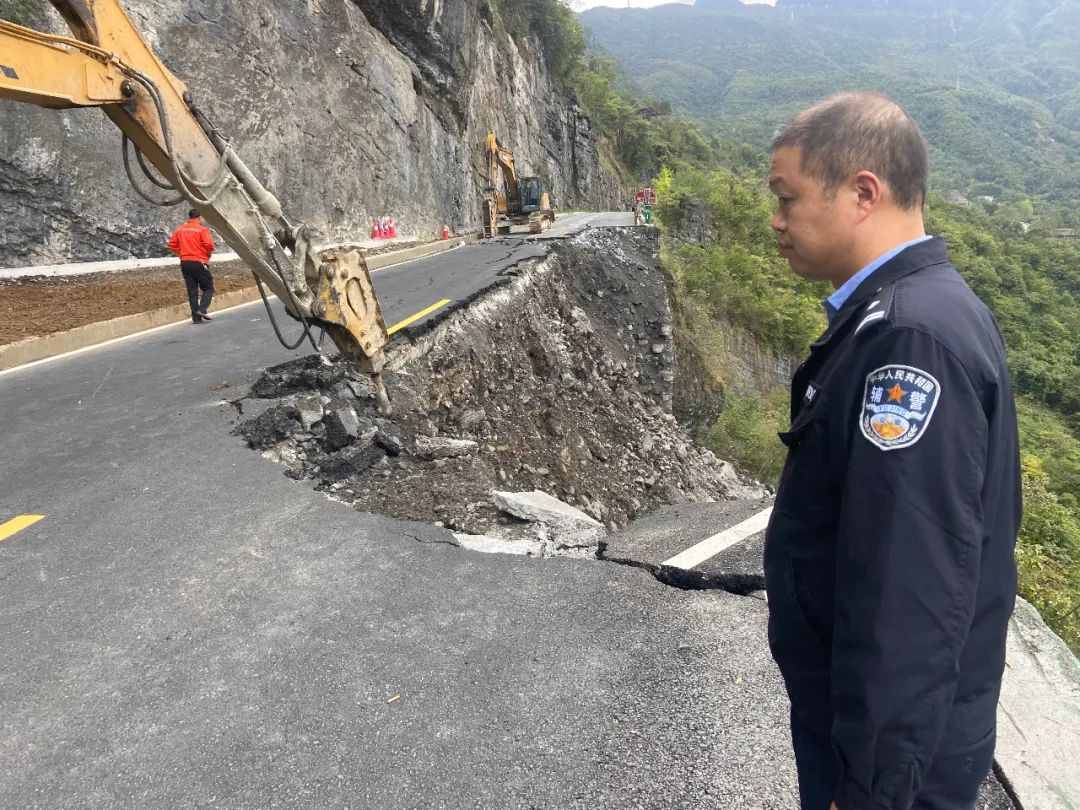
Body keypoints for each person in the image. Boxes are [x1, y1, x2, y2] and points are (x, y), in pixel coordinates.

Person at [763, 91, 1021, 810]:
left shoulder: (910, 341)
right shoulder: (915, 311)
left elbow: (908, 585)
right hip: (889, 740)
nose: (776, 221)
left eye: (787, 198)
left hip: (895, 763)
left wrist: (873, 784)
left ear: (863, 193)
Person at [168, 209, 216, 324]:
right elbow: (209, 244)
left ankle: (196, 318)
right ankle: (202, 309)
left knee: (192, 291)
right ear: (199, 217)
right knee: (208, 287)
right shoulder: (202, 229)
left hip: (185, 262)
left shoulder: (180, 229)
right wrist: (207, 254)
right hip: (199, 261)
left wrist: (182, 252)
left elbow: (172, 244)